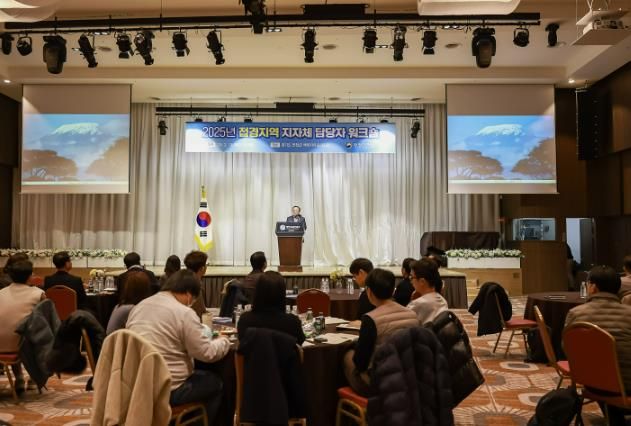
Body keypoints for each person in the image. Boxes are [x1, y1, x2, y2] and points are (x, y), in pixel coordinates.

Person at [126, 269, 230, 423]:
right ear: (189, 294)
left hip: (137, 385)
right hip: (169, 388)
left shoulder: (140, 306)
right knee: (215, 382)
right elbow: (207, 353)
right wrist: (223, 340)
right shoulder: (183, 312)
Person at [564, 265, 631, 424]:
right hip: (628, 385)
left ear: (593, 287)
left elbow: (567, 349)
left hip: (592, 382)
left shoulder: (576, 313)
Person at [343, 268, 418, 396]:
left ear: (369, 291)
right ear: (392, 290)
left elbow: (361, 363)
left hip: (380, 383)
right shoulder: (412, 314)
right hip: (407, 377)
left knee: (347, 356)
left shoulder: (370, 319)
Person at [0, 260, 46, 394]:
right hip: (21, 346)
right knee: (36, 332)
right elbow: (45, 320)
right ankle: (33, 378)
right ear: (30, 276)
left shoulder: (1, 292)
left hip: (1, 344)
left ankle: (19, 378)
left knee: (17, 329)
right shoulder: (38, 293)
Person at [237, 271, 305, 344]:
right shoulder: (293, 322)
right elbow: (299, 343)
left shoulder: (245, 320)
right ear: (282, 294)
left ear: (258, 292)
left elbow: (242, 343)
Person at [407, 258, 448, 324]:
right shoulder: (443, 301)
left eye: (411, 277)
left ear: (422, 281)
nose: (410, 281)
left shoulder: (417, 304)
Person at [184, 250, 210, 318]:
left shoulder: (185, 280)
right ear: (202, 268)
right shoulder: (195, 284)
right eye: (206, 264)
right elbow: (200, 313)